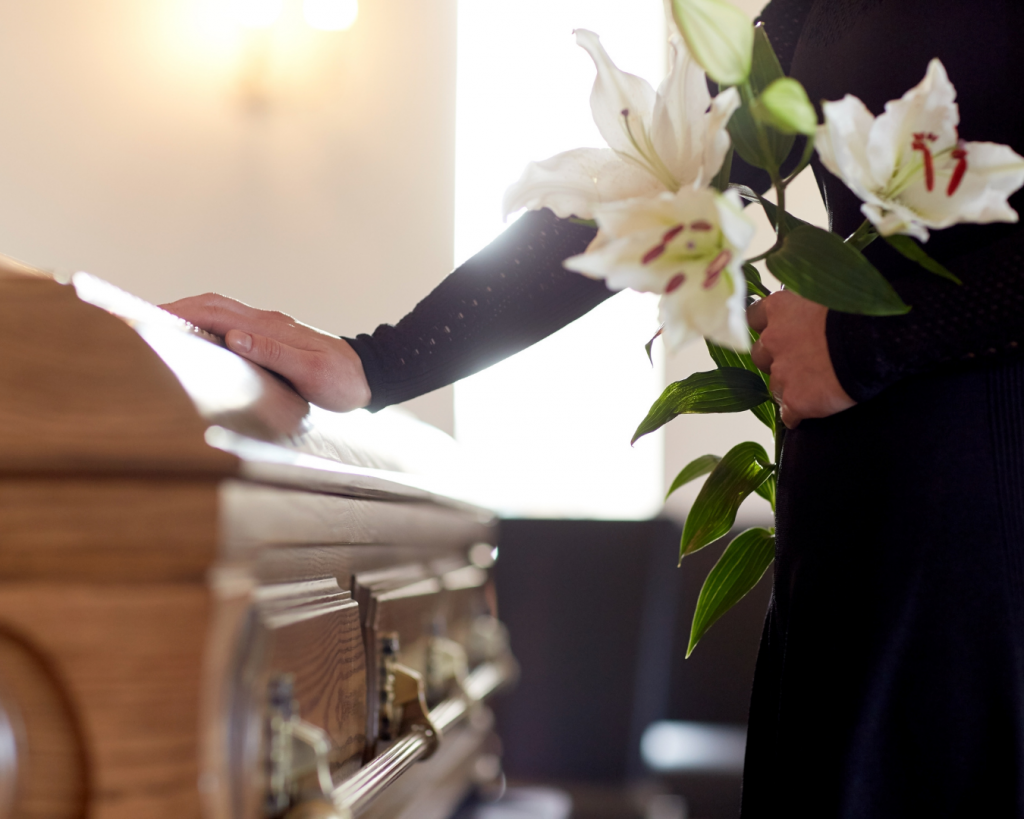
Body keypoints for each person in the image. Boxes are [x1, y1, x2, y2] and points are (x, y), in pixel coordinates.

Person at [165, 1, 1024, 815]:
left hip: (989, 556)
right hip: (857, 553)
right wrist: (378, 357)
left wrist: (875, 342)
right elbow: (651, 187)